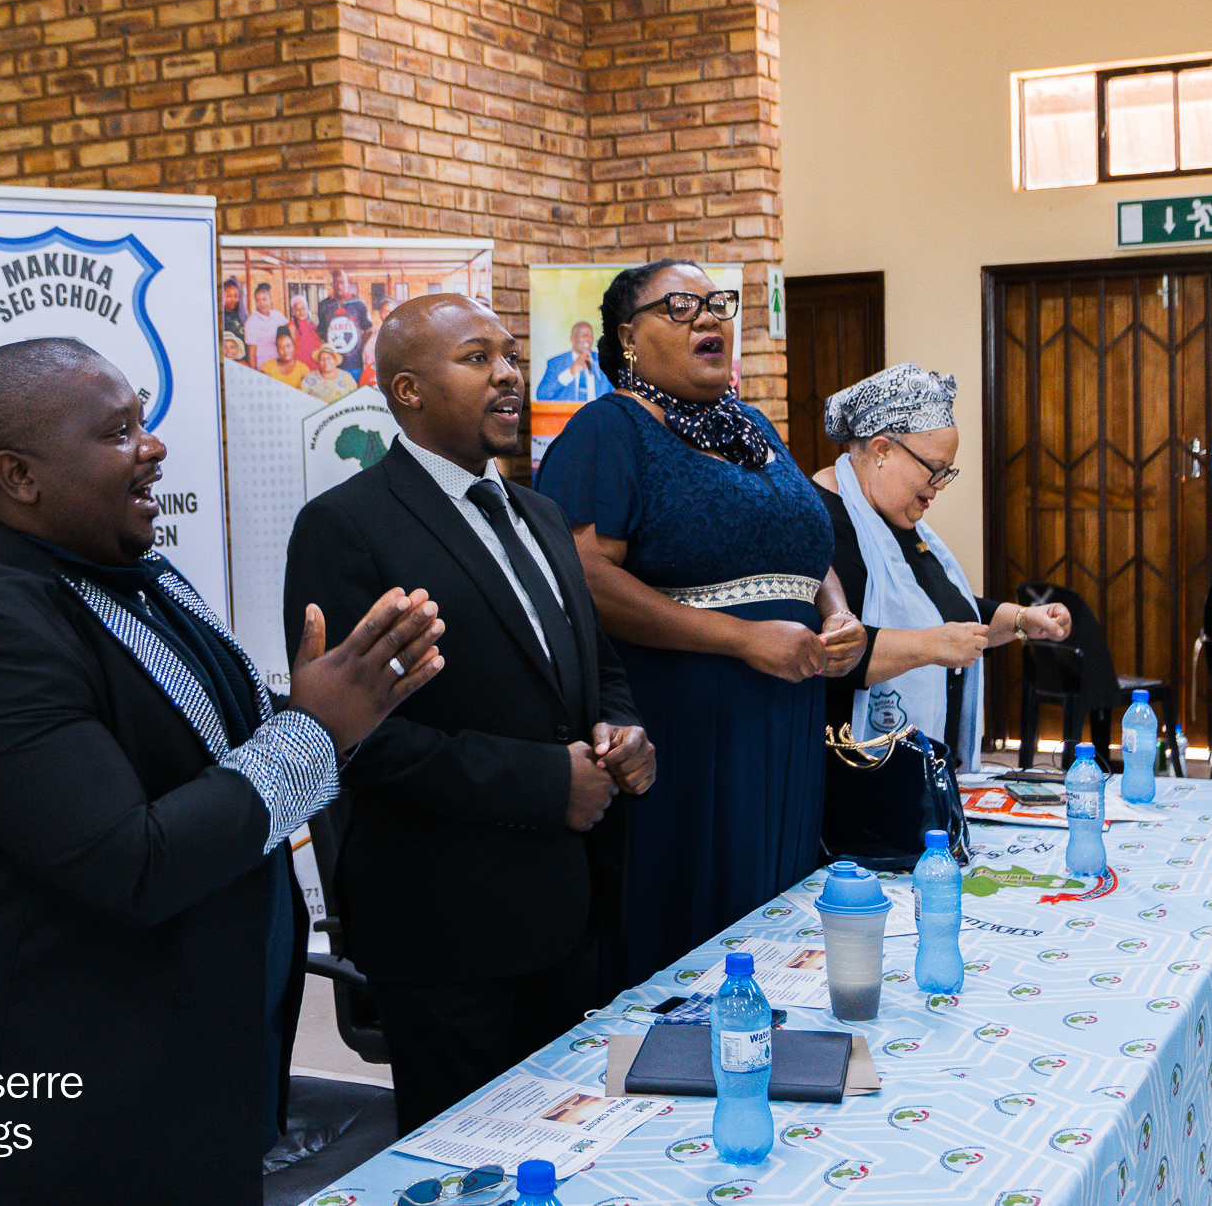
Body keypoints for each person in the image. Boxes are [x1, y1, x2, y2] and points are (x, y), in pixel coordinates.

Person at [0, 338, 444, 1204]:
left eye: (143, 419)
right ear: (20, 476)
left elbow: (226, 759)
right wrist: (314, 731)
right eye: (118, 431)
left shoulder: (128, 577)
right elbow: (133, 864)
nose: (153, 446)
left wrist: (337, 718)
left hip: (175, 1084)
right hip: (37, 1133)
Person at [284, 294, 654, 1134]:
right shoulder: (345, 526)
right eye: (478, 357)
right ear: (407, 390)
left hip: (571, 907)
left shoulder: (541, 513)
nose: (509, 375)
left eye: (511, 355)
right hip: (446, 925)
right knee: (470, 1163)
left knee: (571, 1144)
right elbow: (354, 737)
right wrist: (545, 782)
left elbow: (596, 665)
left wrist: (623, 733)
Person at [536, 259, 866, 987]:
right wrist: (743, 639)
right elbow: (585, 578)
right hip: (683, 722)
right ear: (628, 336)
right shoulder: (608, 430)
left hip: (783, 719)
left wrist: (837, 613)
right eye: (681, 307)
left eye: (717, 304)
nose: (710, 317)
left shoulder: (751, 427)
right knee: (693, 932)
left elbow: (805, 544)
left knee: (775, 920)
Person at [812, 364, 1070, 767]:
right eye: (934, 468)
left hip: (925, 768)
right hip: (853, 768)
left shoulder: (894, 516)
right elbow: (838, 651)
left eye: (946, 471)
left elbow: (944, 608)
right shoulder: (820, 521)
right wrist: (931, 645)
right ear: (881, 450)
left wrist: (1022, 619)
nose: (940, 485)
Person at [535, 320, 612, 402]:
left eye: (590, 334)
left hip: (596, 410)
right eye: (582, 334)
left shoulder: (604, 361)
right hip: (566, 410)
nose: (587, 338)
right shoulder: (556, 364)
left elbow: (615, 394)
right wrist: (570, 372)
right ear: (571, 338)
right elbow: (542, 395)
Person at [243, 281, 287, 366]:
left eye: (264, 299)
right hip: (263, 367)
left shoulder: (278, 316)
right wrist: (254, 372)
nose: (262, 304)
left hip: (280, 365)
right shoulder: (251, 322)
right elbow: (251, 353)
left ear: (270, 299)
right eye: (258, 300)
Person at [287, 292, 324, 363]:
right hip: (300, 365)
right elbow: (289, 349)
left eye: (303, 308)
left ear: (307, 309)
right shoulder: (291, 326)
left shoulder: (313, 325)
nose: (301, 312)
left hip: (315, 364)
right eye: (297, 309)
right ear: (293, 311)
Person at [220, 275, 247, 346]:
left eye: (235, 296)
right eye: (229, 296)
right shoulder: (220, 317)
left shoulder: (243, 315)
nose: (233, 299)